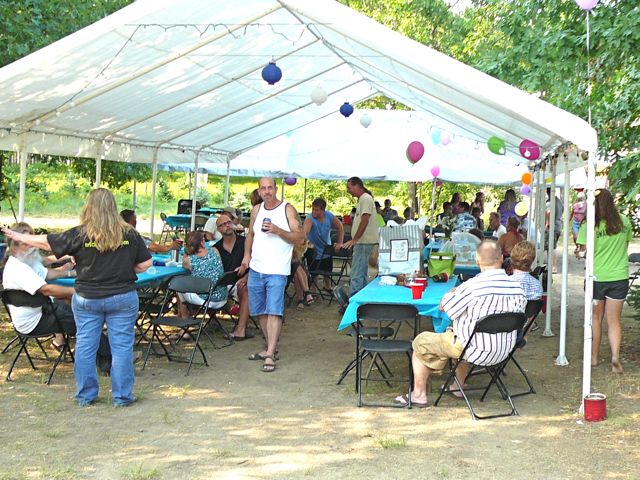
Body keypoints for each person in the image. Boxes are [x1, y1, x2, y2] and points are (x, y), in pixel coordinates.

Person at [4, 188, 152, 407]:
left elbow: (47, 243)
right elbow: (145, 264)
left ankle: (86, 396)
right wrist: (123, 268)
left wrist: (17, 236)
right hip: (122, 296)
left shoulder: (79, 234)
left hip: (87, 298)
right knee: (121, 348)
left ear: (88, 207)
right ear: (113, 206)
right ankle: (122, 397)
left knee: (85, 345)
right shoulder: (129, 233)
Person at [393, 241, 526, 407]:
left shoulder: (472, 287)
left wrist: (451, 292)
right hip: (504, 350)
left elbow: (446, 309)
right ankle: (457, 385)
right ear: (501, 258)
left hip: (472, 350)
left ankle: (418, 394)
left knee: (421, 341)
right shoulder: (517, 288)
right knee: (461, 333)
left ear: (477, 261)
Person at [2, 222, 112, 375]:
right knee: (85, 319)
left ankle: (101, 356)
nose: (31, 245)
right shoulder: (19, 268)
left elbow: (50, 274)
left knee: (79, 310)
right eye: (25, 243)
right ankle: (111, 360)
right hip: (34, 322)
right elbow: (47, 289)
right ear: (14, 247)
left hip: (41, 311)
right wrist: (78, 290)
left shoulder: (26, 260)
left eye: (31, 240)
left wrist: (78, 274)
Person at [241, 177, 303, 373]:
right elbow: (250, 234)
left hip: (277, 270)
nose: (267, 191)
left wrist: (278, 230)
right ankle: (271, 348)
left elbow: (300, 237)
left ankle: (269, 354)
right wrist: (246, 256)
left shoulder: (287, 209)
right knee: (260, 311)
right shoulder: (256, 210)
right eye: (263, 188)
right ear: (259, 191)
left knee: (274, 311)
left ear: (276, 189)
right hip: (257, 269)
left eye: (270, 188)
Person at [576, 188, 632, 374]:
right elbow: (625, 247)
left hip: (597, 277)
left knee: (596, 318)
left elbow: (583, 251)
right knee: (614, 320)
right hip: (619, 277)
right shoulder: (624, 221)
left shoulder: (589, 225)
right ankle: (615, 357)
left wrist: (579, 252)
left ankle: (593, 357)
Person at [212, 212, 253, 340]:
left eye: (229, 222)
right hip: (224, 284)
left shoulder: (245, 242)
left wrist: (246, 276)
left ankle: (240, 330)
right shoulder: (215, 248)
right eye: (223, 225)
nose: (227, 226)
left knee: (244, 288)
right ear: (218, 229)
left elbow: (257, 264)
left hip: (245, 280)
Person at [343, 177, 379, 296]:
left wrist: (355, 239)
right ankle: (361, 299)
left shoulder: (366, 199)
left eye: (349, 187)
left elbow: (365, 220)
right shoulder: (363, 199)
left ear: (357, 185)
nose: (348, 190)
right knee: (361, 273)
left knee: (356, 274)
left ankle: (354, 302)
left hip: (363, 242)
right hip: (363, 242)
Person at [179, 231, 228, 316]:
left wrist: (186, 252)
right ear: (202, 242)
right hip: (222, 297)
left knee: (179, 287)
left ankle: (184, 317)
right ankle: (212, 319)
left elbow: (184, 268)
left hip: (204, 299)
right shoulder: (215, 251)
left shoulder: (189, 260)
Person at [303, 197, 344, 293]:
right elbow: (304, 232)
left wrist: (340, 242)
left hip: (326, 247)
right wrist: (307, 241)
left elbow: (340, 226)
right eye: (313, 209)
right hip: (314, 249)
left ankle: (327, 287)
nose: (314, 212)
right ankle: (314, 290)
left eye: (317, 210)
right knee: (314, 272)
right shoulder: (309, 218)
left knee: (327, 270)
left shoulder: (329, 216)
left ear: (323, 210)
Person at [545, 188, 564, 273]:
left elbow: (548, 212)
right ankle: (552, 266)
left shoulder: (549, 202)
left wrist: (547, 223)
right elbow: (562, 210)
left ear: (548, 192)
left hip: (552, 226)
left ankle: (553, 266)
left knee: (551, 247)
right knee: (554, 246)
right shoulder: (559, 201)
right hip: (559, 225)